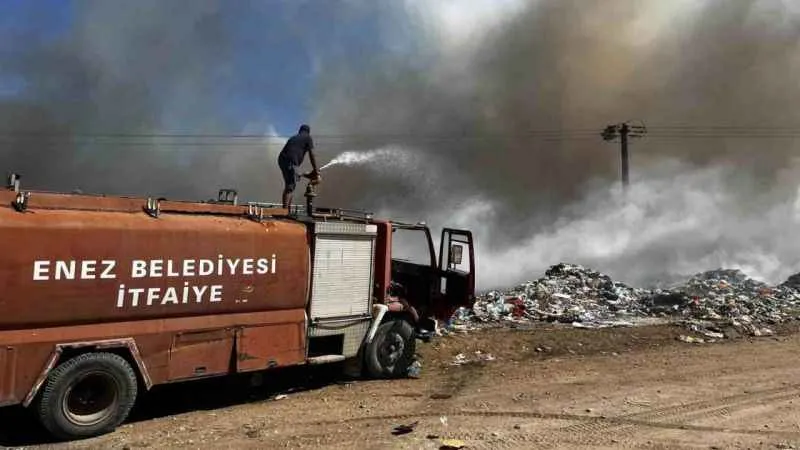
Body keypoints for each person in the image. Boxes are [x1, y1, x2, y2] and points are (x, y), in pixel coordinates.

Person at [278, 124, 320, 209]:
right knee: (290, 186)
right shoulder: (308, 138)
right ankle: (285, 212)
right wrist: (316, 169)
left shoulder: (293, 138)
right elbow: (312, 154)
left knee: (291, 185)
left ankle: (287, 210)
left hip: (282, 160)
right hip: (291, 161)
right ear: (308, 132)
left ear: (300, 131)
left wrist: (307, 174)